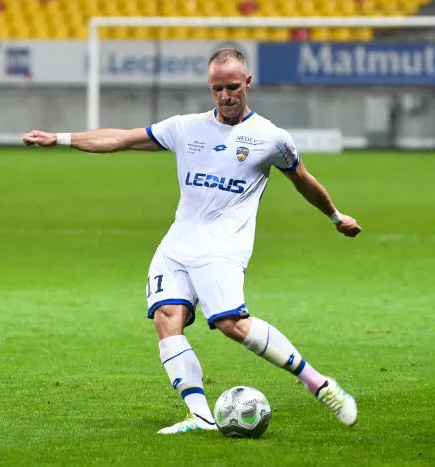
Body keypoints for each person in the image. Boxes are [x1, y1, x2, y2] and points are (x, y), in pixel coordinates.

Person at [23, 48, 362, 435]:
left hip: (223, 248)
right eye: (217, 88)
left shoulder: (270, 138)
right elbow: (121, 139)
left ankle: (319, 384)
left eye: (233, 87)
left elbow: (303, 180)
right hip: (177, 245)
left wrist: (335, 216)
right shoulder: (186, 128)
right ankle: (200, 415)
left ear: (247, 83)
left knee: (233, 323)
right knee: (168, 319)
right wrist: (60, 138)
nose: (225, 96)